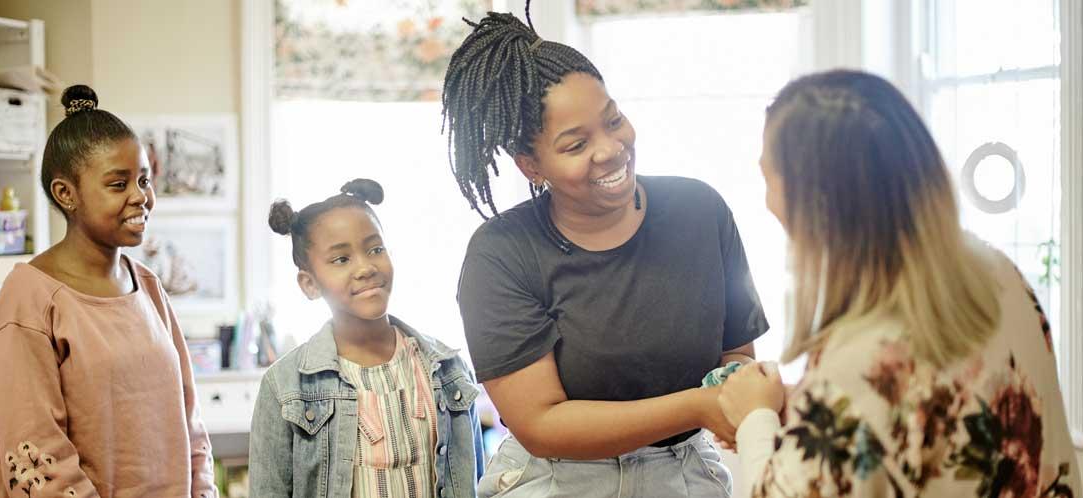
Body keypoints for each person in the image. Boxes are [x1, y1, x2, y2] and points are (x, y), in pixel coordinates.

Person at [442, 5, 767, 497]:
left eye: (613, 120)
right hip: (556, 479)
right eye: (576, 145)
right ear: (531, 165)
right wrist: (700, 407)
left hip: (686, 475)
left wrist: (742, 387)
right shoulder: (501, 255)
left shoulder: (700, 211)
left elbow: (734, 353)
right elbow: (541, 424)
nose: (611, 149)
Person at [718, 69, 1083, 497]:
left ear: (817, 207)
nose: (766, 202)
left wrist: (755, 419)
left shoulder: (860, 363)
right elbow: (928, 405)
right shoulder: (998, 273)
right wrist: (811, 409)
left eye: (767, 177)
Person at [0, 85, 217, 497]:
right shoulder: (28, 301)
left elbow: (190, 421)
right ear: (65, 194)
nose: (141, 197)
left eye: (144, 180)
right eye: (118, 184)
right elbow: (37, 454)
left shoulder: (148, 288)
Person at [249, 179, 483, 498]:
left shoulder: (449, 369)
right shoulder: (284, 386)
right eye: (341, 259)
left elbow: (476, 480)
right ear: (309, 284)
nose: (366, 268)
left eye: (375, 249)